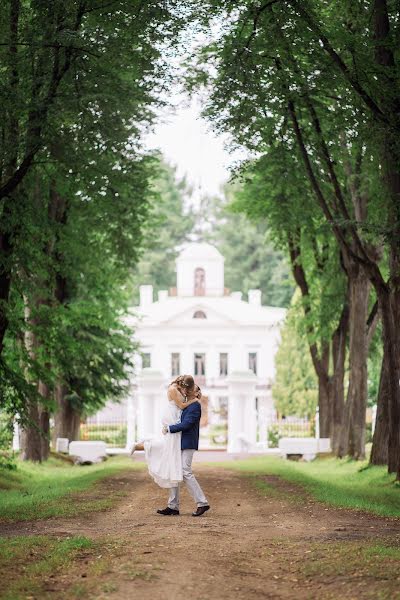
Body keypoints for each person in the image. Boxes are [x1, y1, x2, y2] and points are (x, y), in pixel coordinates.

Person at [131, 375, 197, 489]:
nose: (185, 390)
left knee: (170, 446)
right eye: (185, 387)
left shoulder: (178, 388)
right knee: (169, 445)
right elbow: (181, 405)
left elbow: (182, 403)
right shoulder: (172, 389)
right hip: (171, 416)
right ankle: (143, 446)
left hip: (175, 415)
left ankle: (143, 446)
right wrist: (194, 400)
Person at [158, 374, 210, 517]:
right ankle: (173, 506)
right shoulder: (187, 403)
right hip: (179, 442)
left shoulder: (194, 406)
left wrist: (169, 429)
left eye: (193, 390)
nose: (188, 391)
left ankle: (202, 503)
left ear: (196, 392)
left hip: (188, 443)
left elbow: (186, 424)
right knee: (175, 469)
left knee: (185, 470)